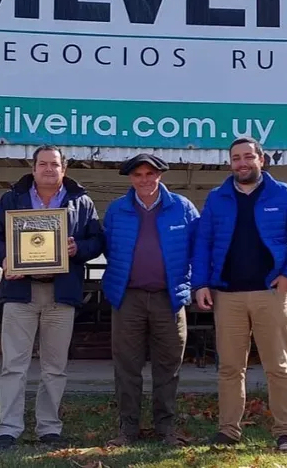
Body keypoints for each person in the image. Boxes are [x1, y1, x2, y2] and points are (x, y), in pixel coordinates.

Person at [191, 136, 287, 453]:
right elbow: (203, 242)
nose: (242, 163)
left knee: (278, 367)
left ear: (262, 159)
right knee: (230, 368)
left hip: (269, 294)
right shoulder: (217, 198)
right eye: (236, 158)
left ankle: (285, 434)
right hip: (227, 295)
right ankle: (228, 431)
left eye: (248, 157)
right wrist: (201, 283)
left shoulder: (283, 193)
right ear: (230, 163)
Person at [0, 144, 105, 450]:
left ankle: (49, 427)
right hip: (20, 293)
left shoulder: (81, 201)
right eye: (43, 164)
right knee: (14, 365)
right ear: (33, 168)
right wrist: (5, 258)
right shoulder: (12, 198)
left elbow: (97, 240)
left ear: (64, 168)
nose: (49, 169)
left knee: (55, 366)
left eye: (55, 164)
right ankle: (8, 429)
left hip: (62, 293)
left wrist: (79, 249)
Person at [100, 153, 200, 447]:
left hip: (169, 298)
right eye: (138, 175)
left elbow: (198, 248)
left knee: (168, 366)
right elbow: (110, 249)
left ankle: (165, 428)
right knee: (126, 367)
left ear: (160, 175)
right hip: (127, 298)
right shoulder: (116, 210)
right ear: (131, 178)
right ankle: (128, 429)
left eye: (150, 174)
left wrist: (194, 283)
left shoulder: (183, 207)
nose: (144, 180)